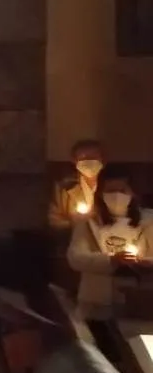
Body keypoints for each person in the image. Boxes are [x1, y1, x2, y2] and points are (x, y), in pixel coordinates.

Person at [67, 164, 153, 353]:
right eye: (110, 190)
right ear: (100, 192)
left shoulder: (149, 221)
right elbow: (75, 257)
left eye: (122, 190)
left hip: (136, 304)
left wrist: (143, 262)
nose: (116, 196)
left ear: (132, 192)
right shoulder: (88, 222)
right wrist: (111, 260)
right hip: (96, 302)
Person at [50, 139, 105, 231]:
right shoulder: (63, 187)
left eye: (93, 157)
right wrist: (73, 222)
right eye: (83, 157)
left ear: (103, 160)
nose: (89, 161)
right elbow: (53, 220)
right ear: (74, 161)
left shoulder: (113, 186)